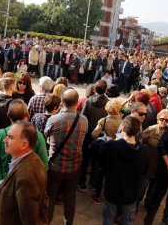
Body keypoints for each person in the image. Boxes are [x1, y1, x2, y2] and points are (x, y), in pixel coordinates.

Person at [0, 121, 49, 224]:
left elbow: (30, 221)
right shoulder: (33, 159)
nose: (5, 140)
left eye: (10, 137)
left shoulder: (25, 177)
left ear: (24, 144)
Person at [45, 88, 88, 225]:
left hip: (55, 166)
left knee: (50, 197)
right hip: (74, 167)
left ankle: (46, 222)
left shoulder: (54, 119)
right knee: (70, 198)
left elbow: (46, 136)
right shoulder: (84, 120)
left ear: (62, 102)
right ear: (77, 102)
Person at [100, 116, 149, 224]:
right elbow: (144, 170)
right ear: (138, 132)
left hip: (112, 191)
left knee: (108, 219)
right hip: (131, 194)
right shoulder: (145, 150)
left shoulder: (111, 145)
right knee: (127, 221)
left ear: (122, 129)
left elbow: (101, 162)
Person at [0, 99, 48, 182]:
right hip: (28, 181)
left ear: (8, 116)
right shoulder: (37, 135)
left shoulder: (0, 134)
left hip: (3, 181)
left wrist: (1, 172)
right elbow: (44, 164)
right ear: (27, 114)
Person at [90, 99, 124, 204]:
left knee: (101, 172)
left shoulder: (103, 121)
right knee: (111, 173)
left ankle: (97, 195)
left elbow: (94, 134)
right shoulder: (123, 122)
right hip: (117, 151)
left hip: (105, 150)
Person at [79, 79, 109, 191]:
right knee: (96, 160)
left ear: (94, 89)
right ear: (105, 89)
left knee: (85, 159)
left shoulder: (88, 101)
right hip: (101, 135)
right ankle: (93, 182)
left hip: (88, 134)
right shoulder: (108, 102)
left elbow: (83, 117)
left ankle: (82, 182)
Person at [140, 109, 168, 208]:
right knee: (143, 186)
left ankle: (148, 204)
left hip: (160, 165)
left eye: (166, 120)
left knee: (153, 188)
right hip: (148, 164)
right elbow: (140, 140)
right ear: (157, 119)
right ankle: (136, 203)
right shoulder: (151, 129)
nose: (163, 121)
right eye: (162, 119)